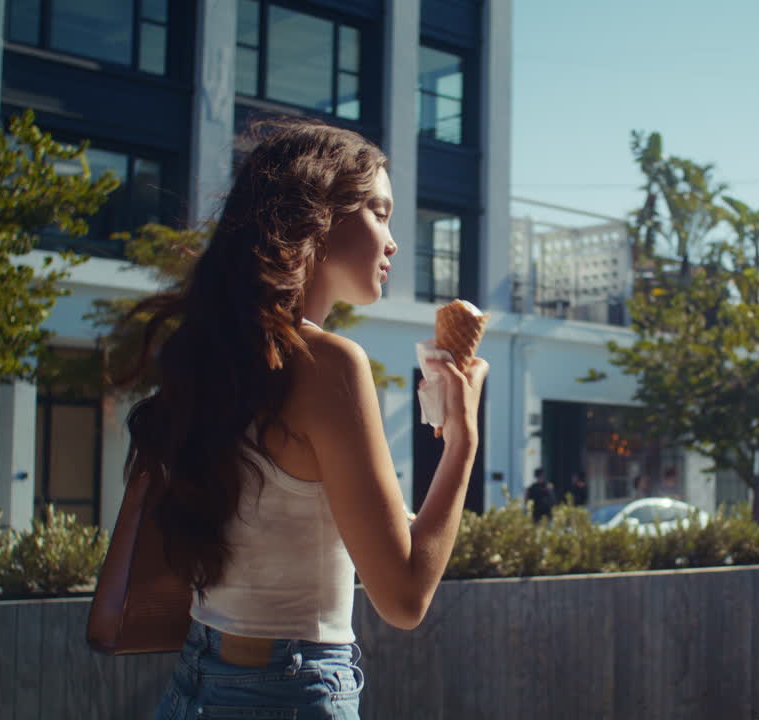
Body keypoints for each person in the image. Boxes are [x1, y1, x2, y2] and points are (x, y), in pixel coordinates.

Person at [119, 118, 488, 720]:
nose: (393, 242)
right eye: (378, 212)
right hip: (289, 690)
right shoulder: (332, 364)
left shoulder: (216, 357)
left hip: (192, 685)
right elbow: (404, 598)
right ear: (317, 216)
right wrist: (463, 440)